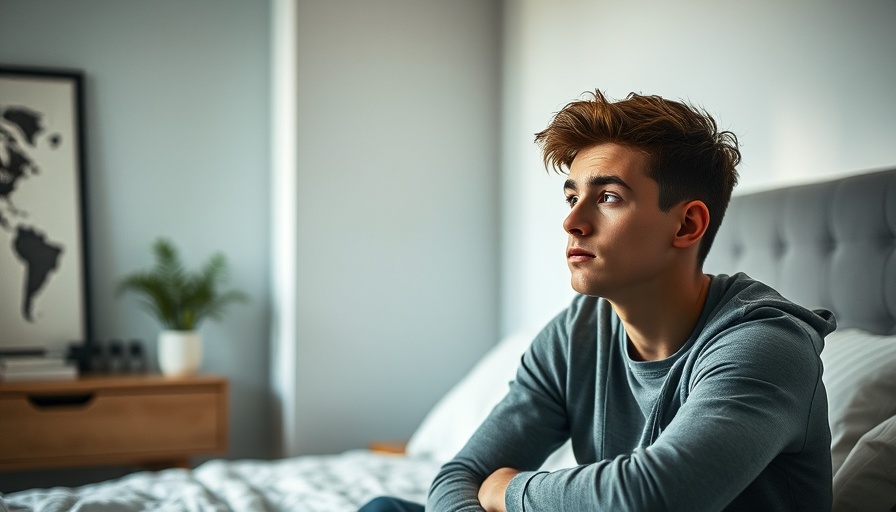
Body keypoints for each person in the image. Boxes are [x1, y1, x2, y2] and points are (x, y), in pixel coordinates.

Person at [360, 90, 835, 512]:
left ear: (687, 225)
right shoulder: (578, 334)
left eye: (608, 197)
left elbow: (652, 496)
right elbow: (460, 475)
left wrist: (508, 491)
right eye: (571, 198)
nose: (572, 223)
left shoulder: (766, 344)